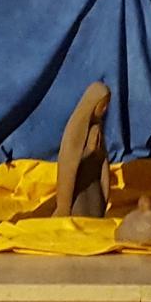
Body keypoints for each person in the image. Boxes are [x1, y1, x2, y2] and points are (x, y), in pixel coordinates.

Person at [54, 82, 112, 218]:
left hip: (94, 185)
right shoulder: (76, 129)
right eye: (102, 104)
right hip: (79, 190)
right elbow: (69, 164)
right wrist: (89, 151)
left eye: (107, 105)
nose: (105, 109)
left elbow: (103, 159)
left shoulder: (97, 125)